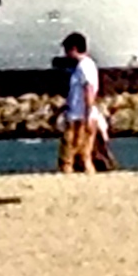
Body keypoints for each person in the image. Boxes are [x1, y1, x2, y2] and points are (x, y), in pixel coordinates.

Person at [55, 33, 99, 173]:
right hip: (80, 113)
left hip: (78, 116)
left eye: (67, 50)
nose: (65, 55)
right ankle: (88, 175)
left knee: (68, 154)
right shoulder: (86, 65)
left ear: (74, 49)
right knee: (84, 154)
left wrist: (87, 114)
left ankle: (68, 175)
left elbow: (88, 89)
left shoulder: (84, 66)